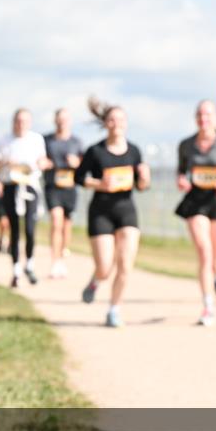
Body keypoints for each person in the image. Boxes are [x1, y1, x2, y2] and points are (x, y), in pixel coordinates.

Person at [78, 99, 151, 327]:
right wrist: (100, 184)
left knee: (125, 264)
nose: (116, 123)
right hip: (100, 211)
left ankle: (114, 309)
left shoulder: (134, 151)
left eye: (120, 119)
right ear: (105, 123)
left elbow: (140, 185)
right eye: (111, 119)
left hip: (126, 210)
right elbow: (79, 178)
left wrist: (145, 179)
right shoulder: (95, 151)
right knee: (104, 266)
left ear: (126, 123)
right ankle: (95, 280)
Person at [175, 100, 216, 326]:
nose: (203, 119)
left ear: (215, 118)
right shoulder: (186, 145)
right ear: (196, 118)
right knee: (204, 251)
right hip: (196, 201)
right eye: (200, 115)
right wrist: (182, 180)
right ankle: (208, 306)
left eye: (208, 115)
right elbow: (181, 172)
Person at [0, 108, 48, 287]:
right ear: (13, 122)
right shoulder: (4, 140)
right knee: (14, 229)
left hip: (30, 186)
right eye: (18, 120)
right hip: (11, 186)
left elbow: (44, 161)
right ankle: (16, 269)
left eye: (24, 121)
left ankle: (29, 264)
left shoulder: (36, 139)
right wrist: (3, 164)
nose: (21, 124)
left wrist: (40, 164)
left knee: (30, 229)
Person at [43, 108, 84, 278]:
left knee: (67, 225)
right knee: (56, 221)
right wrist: (44, 162)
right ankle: (55, 261)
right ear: (55, 121)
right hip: (53, 185)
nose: (62, 122)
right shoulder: (46, 140)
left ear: (70, 121)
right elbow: (39, 157)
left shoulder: (77, 142)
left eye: (65, 119)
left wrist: (77, 163)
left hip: (70, 187)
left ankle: (63, 254)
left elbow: (85, 163)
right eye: (59, 119)